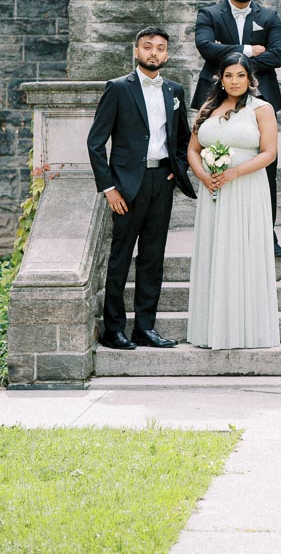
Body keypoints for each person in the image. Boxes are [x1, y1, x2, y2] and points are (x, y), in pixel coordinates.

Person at [87, 26, 195, 350]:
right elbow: (95, 142)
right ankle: (114, 329)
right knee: (120, 257)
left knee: (153, 257)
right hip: (126, 187)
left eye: (160, 48)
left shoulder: (174, 90)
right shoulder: (118, 88)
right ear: (136, 51)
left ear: (167, 53)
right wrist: (109, 188)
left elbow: (182, 138)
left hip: (161, 183)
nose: (153, 53)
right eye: (147, 47)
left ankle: (145, 327)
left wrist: (177, 170)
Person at [186, 51, 280, 349]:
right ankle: (212, 328)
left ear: (250, 79)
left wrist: (234, 173)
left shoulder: (262, 108)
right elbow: (192, 149)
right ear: (220, 79)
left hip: (247, 189)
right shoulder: (208, 107)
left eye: (241, 75)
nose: (235, 81)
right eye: (229, 75)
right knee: (216, 251)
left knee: (244, 251)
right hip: (213, 190)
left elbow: (269, 153)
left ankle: (247, 326)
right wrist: (203, 175)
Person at [192, 0, 281, 255]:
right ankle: (220, 230)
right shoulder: (209, 13)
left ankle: (266, 234)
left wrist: (234, 63)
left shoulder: (269, 16)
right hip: (217, 96)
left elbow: (277, 56)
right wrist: (245, 51)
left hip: (261, 99)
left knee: (265, 167)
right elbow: (206, 47)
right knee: (214, 156)